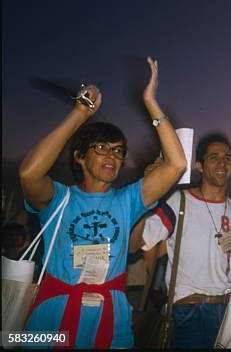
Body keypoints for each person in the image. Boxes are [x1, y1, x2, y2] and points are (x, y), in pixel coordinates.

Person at [19, 57, 186, 349]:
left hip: (112, 316)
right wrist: (80, 113)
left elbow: (177, 164)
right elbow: (29, 173)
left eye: (118, 151)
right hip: (52, 315)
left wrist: (151, 102)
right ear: (80, 156)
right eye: (101, 148)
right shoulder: (59, 199)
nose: (112, 156)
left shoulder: (129, 200)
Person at [134, 134, 231, 349]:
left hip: (226, 311)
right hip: (187, 309)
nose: (222, 163)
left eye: (227, 158)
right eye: (213, 157)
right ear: (199, 165)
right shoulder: (180, 201)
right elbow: (144, 242)